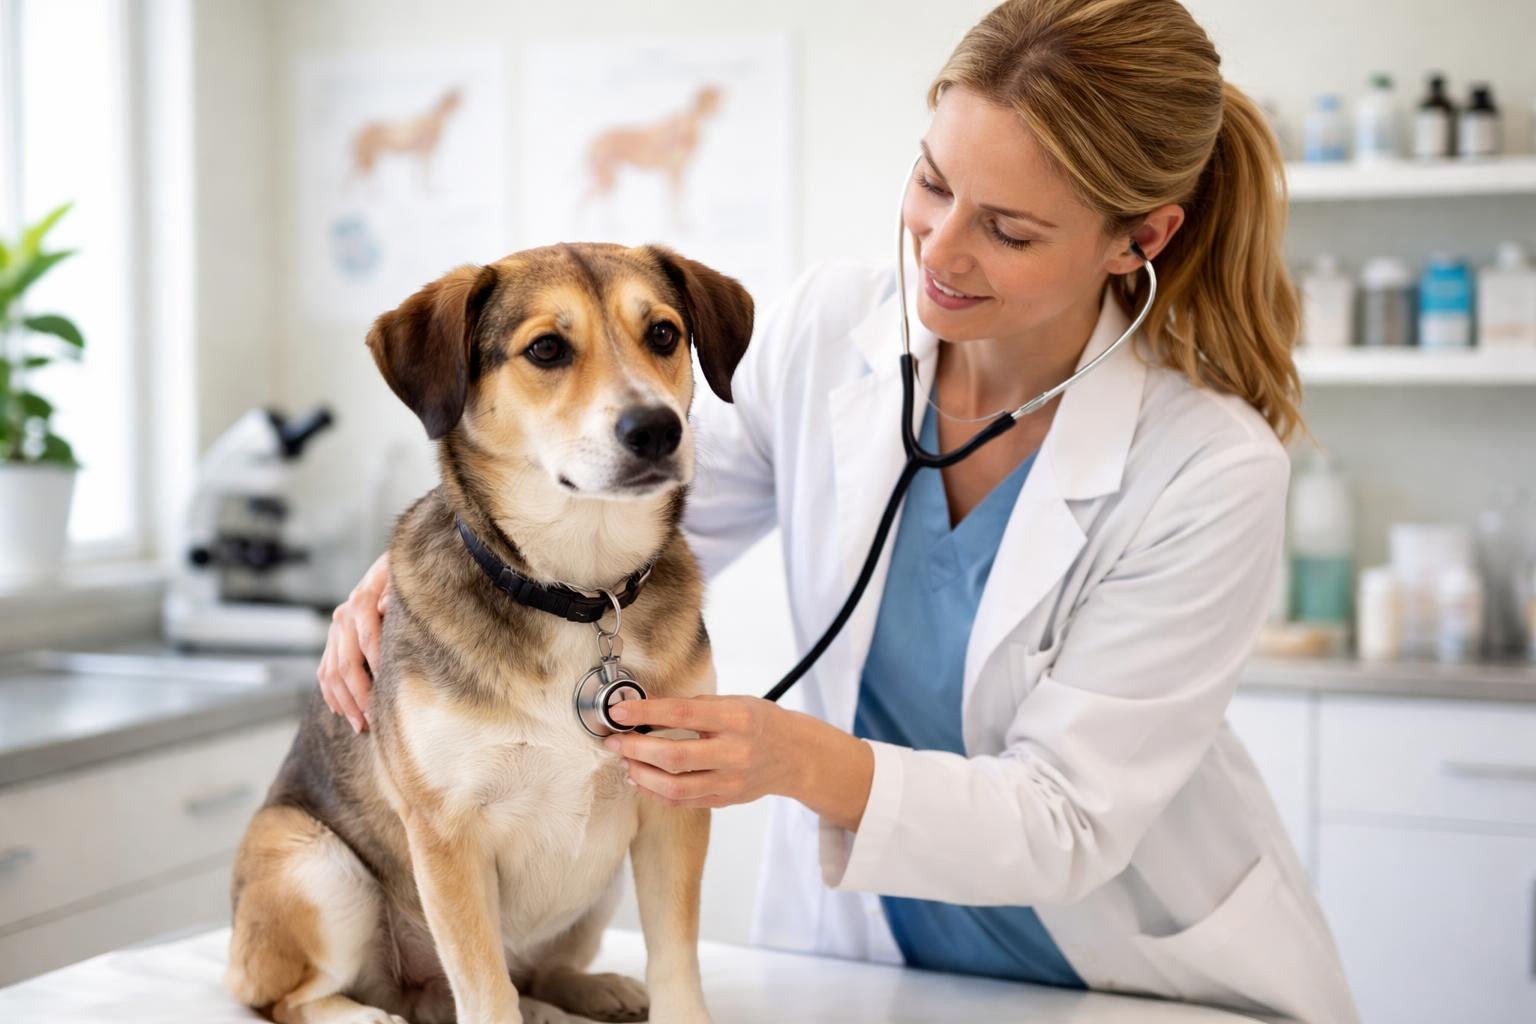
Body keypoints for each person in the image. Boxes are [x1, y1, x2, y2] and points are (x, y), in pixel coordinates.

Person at [318, 2, 1359, 1020]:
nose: (940, 252)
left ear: (1140, 238)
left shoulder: (1209, 467)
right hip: (870, 956)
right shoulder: (831, 332)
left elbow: (1068, 819)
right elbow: (615, 516)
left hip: (1123, 966)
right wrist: (407, 584)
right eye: (933, 182)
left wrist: (795, 758)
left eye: (1007, 228)